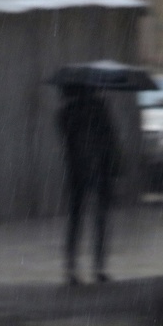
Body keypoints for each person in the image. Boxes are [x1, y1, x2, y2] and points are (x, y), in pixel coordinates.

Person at [57, 85, 121, 286]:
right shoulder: (98, 108)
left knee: (76, 221)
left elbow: (69, 143)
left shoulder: (65, 113)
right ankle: (99, 267)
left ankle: (71, 268)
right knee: (100, 219)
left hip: (77, 171)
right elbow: (110, 139)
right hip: (100, 170)